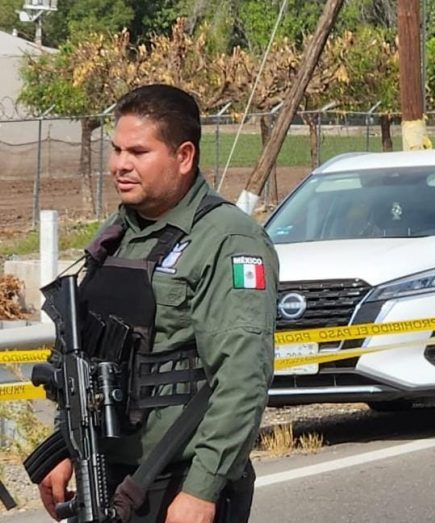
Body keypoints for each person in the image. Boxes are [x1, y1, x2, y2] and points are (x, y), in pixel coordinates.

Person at [37, 84, 278, 522]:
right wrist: (65, 448)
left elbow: (243, 376)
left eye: (138, 152)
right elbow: (85, 358)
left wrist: (203, 489)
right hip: (108, 478)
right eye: (116, 150)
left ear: (184, 157)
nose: (119, 165)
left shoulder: (227, 239)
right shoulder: (118, 234)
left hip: (179, 483)